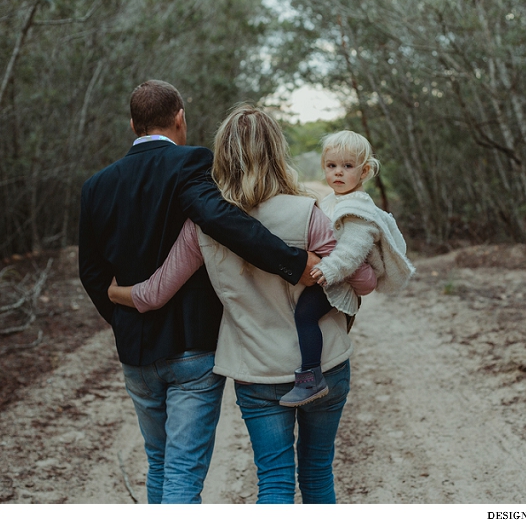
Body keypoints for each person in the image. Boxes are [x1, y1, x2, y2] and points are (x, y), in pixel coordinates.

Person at [107, 105, 377, 503]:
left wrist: (113, 291)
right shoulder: (308, 213)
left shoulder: (203, 223)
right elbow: (364, 281)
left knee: (274, 481)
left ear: (223, 155)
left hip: (257, 373)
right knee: (318, 474)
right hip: (326, 365)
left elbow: (154, 294)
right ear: (277, 152)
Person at [78, 81, 320, 504]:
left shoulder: (97, 185)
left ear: (132, 124)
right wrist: (295, 263)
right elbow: (221, 220)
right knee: (183, 473)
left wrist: (124, 320)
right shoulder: (190, 163)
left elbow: (92, 273)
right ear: (180, 118)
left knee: (159, 462)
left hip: (135, 352)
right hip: (192, 348)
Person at [279, 130, 416, 407]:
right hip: (334, 274)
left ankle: (310, 378)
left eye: (347, 166)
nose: (338, 173)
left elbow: (352, 250)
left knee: (305, 315)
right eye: (332, 166)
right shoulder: (335, 199)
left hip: (338, 277)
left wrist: (329, 269)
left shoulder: (357, 208)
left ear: (364, 171)